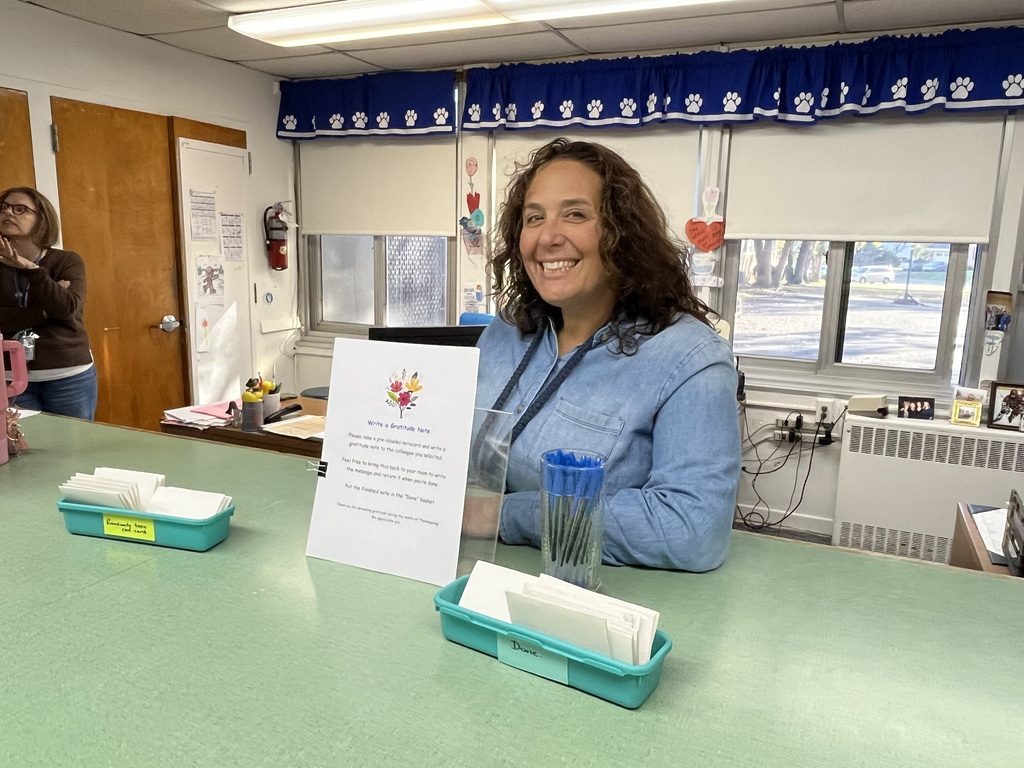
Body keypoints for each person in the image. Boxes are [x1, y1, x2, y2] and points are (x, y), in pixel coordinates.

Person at [474, 138, 740, 572]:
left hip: (600, 603)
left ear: (622, 233)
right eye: (534, 217)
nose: (548, 237)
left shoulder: (690, 360)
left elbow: (692, 529)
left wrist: (505, 515)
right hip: (472, 575)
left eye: (575, 214)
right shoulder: (505, 331)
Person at [0, 187, 97, 419]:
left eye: (20, 209)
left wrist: (32, 270)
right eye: (3, 208)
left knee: (74, 450)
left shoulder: (67, 261)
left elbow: (67, 308)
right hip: (12, 378)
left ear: (41, 218)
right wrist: (44, 311)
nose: (8, 213)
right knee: (25, 450)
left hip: (69, 375)